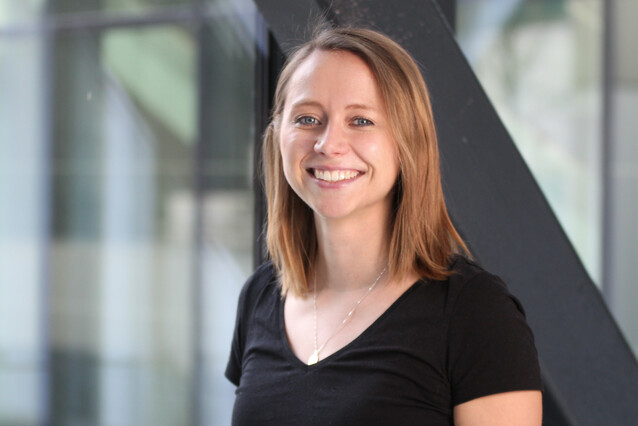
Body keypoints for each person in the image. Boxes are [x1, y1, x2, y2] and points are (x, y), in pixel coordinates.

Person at [225, 25, 543, 425]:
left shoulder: (475, 314)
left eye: (361, 121)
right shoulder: (260, 296)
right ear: (278, 136)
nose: (328, 143)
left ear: (408, 141)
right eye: (307, 118)